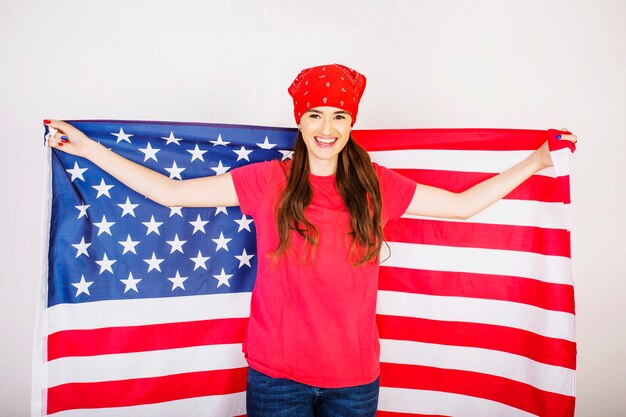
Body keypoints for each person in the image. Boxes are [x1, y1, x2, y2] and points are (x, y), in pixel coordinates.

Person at [45, 63, 577, 417]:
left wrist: (536, 161)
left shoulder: (376, 185)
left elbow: (462, 206)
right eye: (316, 114)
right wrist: (89, 148)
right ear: (299, 120)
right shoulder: (267, 180)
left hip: (354, 380)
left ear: (351, 122)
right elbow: (169, 193)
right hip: (277, 378)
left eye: (339, 115)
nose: (327, 127)